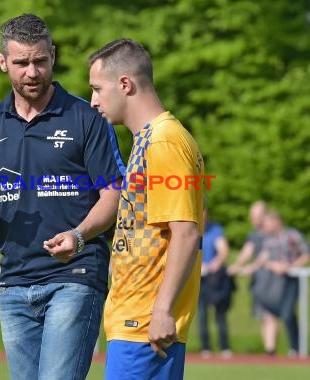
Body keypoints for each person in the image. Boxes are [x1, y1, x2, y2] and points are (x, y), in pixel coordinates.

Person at [0, 14, 124, 380]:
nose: (32, 72)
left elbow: (114, 194)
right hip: (13, 283)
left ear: (53, 56)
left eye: (40, 61)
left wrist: (78, 236)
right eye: (21, 63)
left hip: (74, 276)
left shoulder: (86, 118)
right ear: (3, 63)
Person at [88, 38, 204, 380]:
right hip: (134, 317)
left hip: (145, 320)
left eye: (97, 89)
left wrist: (164, 310)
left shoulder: (164, 142)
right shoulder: (148, 140)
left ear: (125, 84)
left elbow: (185, 231)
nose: (93, 101)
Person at [250, 210, 310, 357]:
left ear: (277, 221)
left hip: (290, 280)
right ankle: (272, 349)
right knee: (270, 314)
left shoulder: (292, 236)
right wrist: (271, 265)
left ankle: (296, 347)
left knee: (288, 313)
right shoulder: (268, 240)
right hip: (273, 283)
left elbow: (307, 253)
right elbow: (262, 259)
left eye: (268, 222)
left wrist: (291, 266)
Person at [228, 201, 278, 355]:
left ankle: (272, 349)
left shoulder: (273, 233)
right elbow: (247, 251)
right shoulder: (254, 234)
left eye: (255, 216)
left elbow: (266, 255)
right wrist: (236, 265)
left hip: (273, 280)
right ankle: (269, 349)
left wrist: (253, 267)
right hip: (259, 281)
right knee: (263, 315)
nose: (252, 219)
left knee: (271, 315)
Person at [198, 208, 232, 359]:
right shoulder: (192, 229)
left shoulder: (215, 230)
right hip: (198, 279)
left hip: (214, 279)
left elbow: (223, 250)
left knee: (220, 314)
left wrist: (214, 263)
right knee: (201, 314)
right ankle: (205, 347)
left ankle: (224, 346)